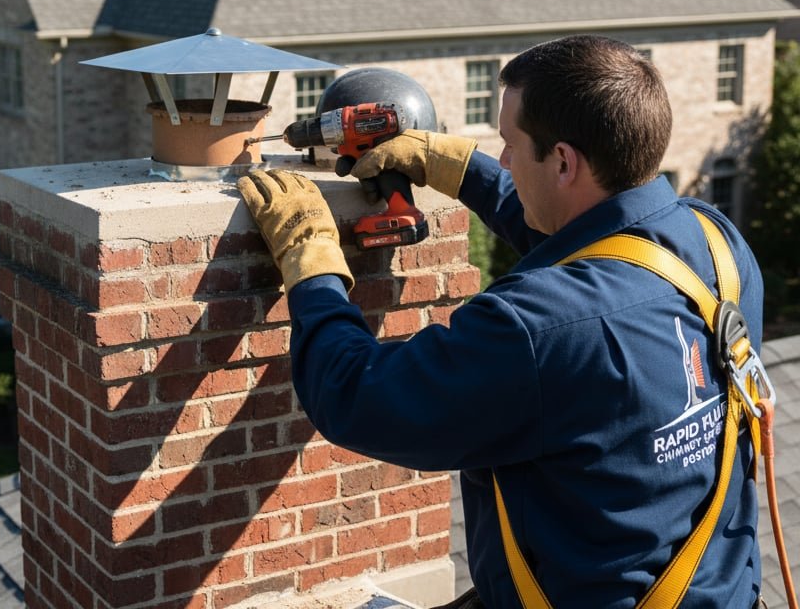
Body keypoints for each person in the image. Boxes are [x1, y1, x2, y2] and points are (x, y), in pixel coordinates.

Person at [237, 35, 764, 609]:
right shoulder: (717, 247)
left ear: (564, 161)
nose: (505, 160)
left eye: (510, 145)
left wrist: (310, 261)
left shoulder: (533, 330)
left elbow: (352, 394)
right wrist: (463, 171)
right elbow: (597, 245)